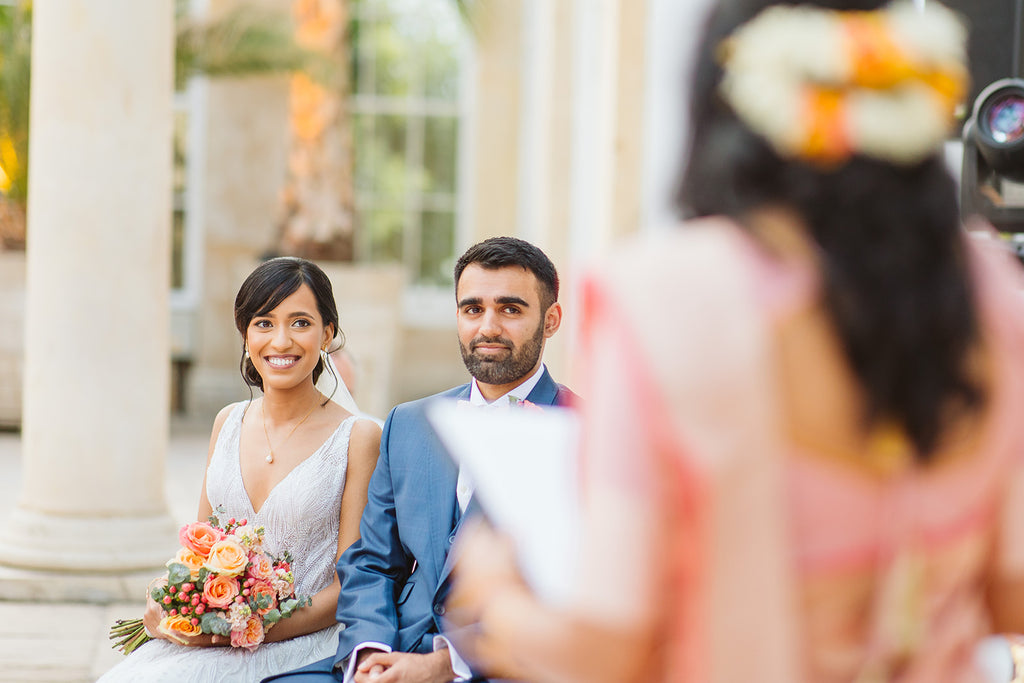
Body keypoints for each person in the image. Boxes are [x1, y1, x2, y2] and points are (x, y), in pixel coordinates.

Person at [445, 1, 1024, 682]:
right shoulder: (990, 291)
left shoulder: (664, 295)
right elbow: (1009, 593)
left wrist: (498, 600)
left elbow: (610, 639)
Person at [264, 236, 578, 683]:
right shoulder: (408, 424)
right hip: (389, 650)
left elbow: (574, 598)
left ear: (551, 321)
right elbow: (371, 561)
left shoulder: (584, 432)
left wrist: (446, 665)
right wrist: (368, 655)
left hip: (499, 667)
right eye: (472, 309)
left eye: (510, 309)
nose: (488, 327)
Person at [99, 257, 381, 682]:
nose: (281, 341)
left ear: (326, 334)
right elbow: (198, 550)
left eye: (300, 323)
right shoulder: (226, 423)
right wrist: (170, 602)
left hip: (304, 641)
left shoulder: (358, 437)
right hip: (215, 636)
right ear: (246, 334)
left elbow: (348, 588)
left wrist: (247, 632)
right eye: (264, 323)